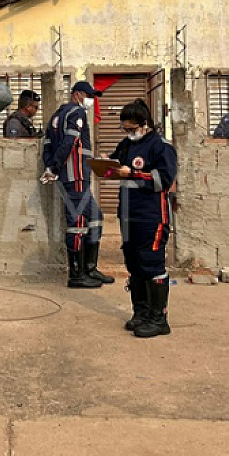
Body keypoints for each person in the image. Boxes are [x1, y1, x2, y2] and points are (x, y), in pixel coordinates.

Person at [108, 99, 177, 338]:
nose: (128, 133)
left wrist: (134, 174)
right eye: (125, 128)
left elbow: (164, 180)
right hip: (128, 214)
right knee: (134, 263)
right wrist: (106, 165)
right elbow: (116, 164)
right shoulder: (126, 145)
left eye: (132, 128)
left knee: (151, 263)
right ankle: (141, 312)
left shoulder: (160, 146)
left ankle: (159, 319)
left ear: (144, 124)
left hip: (152, 215)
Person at [41, 81, 114, 288]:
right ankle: (76, 275)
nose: (91, 100)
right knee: (77, 223)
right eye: (89, 96)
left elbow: (47, 146)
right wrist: (55, 167)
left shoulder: (56, 116)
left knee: (95, 217)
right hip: (76, 175)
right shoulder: (77, 113)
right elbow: (70, 142)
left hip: (74, 175)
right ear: (77, 94)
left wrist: (50, 166)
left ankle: (89, 268)